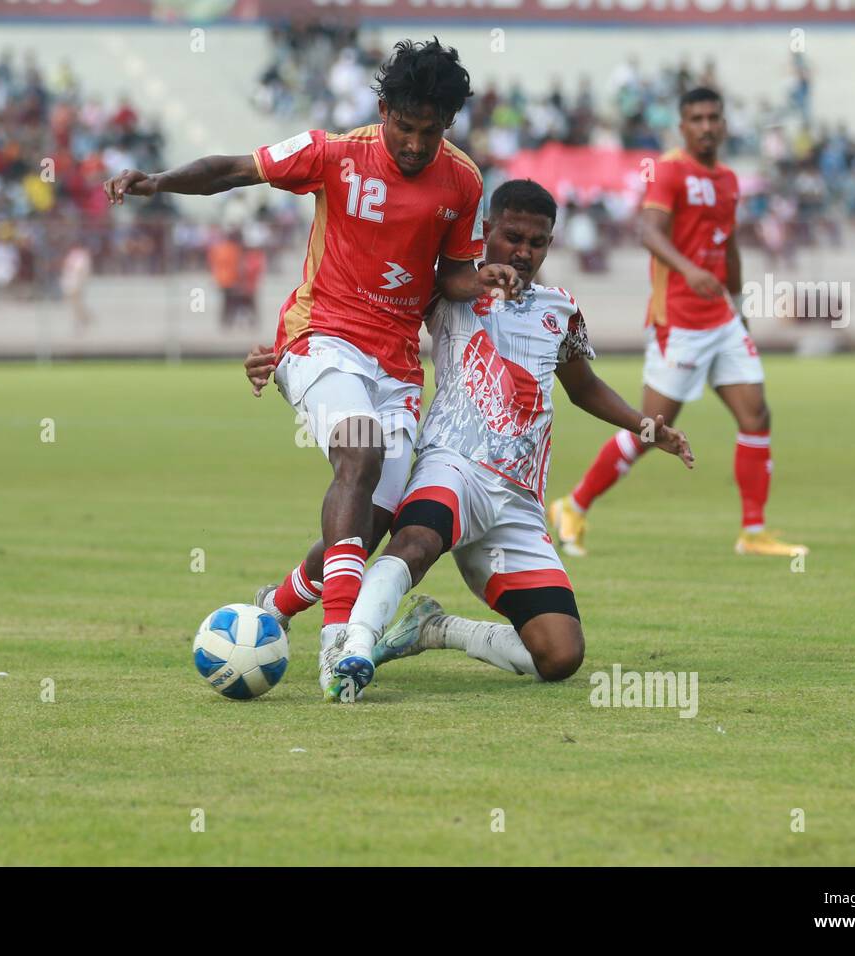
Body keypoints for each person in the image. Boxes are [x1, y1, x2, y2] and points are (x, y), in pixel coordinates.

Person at [105, 38, 519, 699]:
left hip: (395, 363)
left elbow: (451, 274)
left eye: (430, 133)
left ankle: (277, 606)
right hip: (319, 336)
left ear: (448, 126)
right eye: (404, 128)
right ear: (383, 110)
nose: (414, 145)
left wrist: (485, 277)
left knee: (369, 523)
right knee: (359, 454)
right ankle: (336, 642)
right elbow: (234, 169)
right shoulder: (334, 152)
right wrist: (157, 181)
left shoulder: (463, 181)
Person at [248, 179, 693, 700]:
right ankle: (353, 650)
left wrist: (645, 425)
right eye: (512, 237)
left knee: (560, 654)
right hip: (453, 466)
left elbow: (582, 386)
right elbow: (362, 318)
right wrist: (294, 354)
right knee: (410, 543)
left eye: (537, 242)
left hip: (518, 503)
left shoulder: (560, 310)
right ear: (487, 231)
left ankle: (436, 629)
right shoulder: (450, 290)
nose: (523, 252)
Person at [546, 88, 807, 558]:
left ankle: (753, 532)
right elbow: (647, 230)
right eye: (696, 118)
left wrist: (740, 306)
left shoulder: (728, 179)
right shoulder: (668, 170)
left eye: (713, 117)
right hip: (679, 322)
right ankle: (575, 503)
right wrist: (689, 271)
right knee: (651, 429)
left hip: (722, 320)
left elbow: (727, 246)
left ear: (724, 124)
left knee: (756, 414)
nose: (706, 126)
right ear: (683, 126)